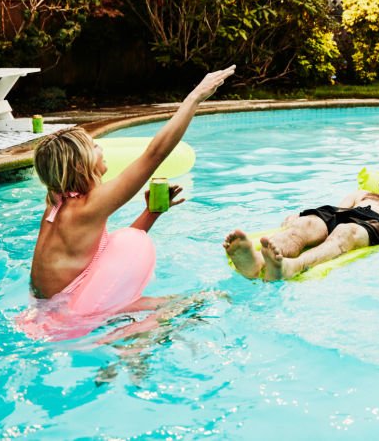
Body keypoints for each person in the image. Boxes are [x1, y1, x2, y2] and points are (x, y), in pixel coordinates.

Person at [28, 67, 235, 314]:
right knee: (203, 301)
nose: (102, 149)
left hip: (42, 311)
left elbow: (102, 256)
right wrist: (195, 97)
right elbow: (155, 154)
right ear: (79, 164)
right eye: (95, 147)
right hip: (70, 317)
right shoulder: (88, 206)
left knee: (180, 302)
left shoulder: (56, 202)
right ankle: (132, 346)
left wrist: (151, 212)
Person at [224, 145, 379, 281]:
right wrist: (299, 219)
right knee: (306, 225)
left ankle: (293, 267)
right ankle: (256, 264)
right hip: (345, 215)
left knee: (346, 230)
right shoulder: (362, 193)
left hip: (374, 224)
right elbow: (337, 212)